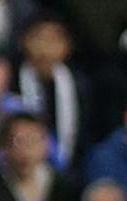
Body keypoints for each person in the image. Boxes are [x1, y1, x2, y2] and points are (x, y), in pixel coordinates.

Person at [13, 15, 93, 166]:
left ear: (67, 46)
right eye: (38, 38)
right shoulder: (10, 80)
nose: (44, 47)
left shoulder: (80, 85)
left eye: (53, 39)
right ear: (23, 41)